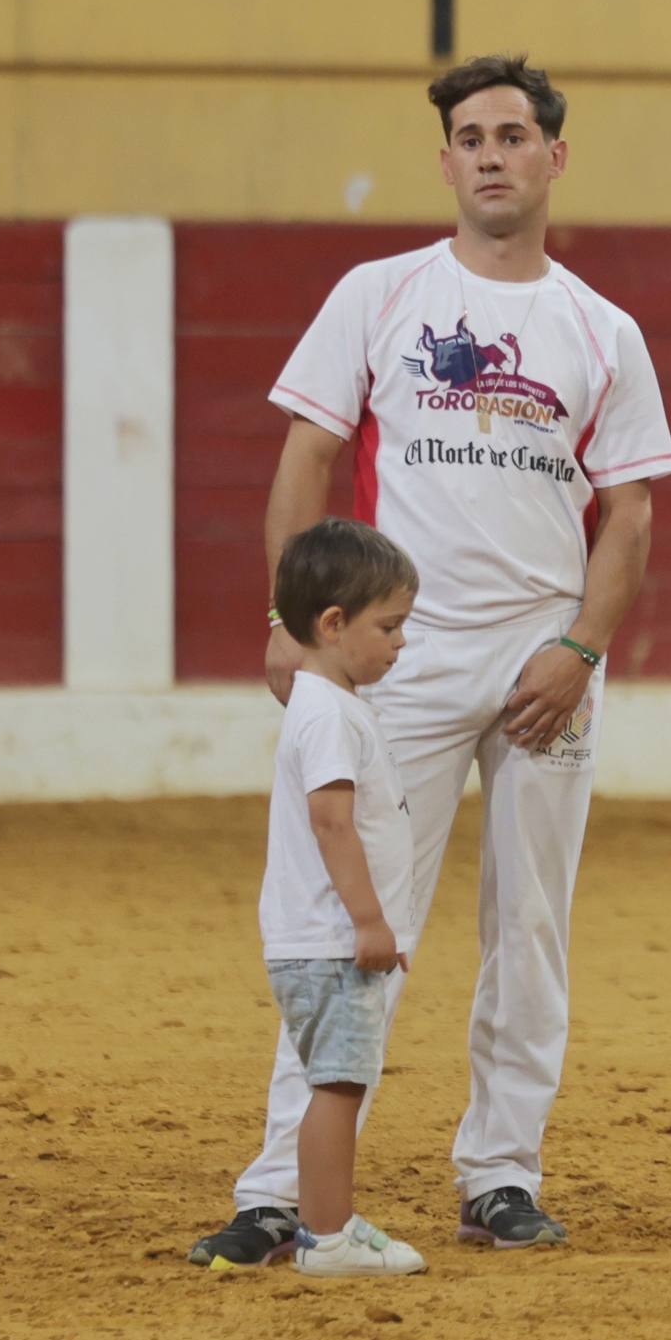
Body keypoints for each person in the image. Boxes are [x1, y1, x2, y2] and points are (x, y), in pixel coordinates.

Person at [185, 56, 671, 1272]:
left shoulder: (602, 330)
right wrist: (291, 627)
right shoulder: (379, 293)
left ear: (554, 157)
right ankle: (277, 1188)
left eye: (515, 134)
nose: (493, 154)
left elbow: (630, 519)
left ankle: (502, 1174)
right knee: (341, 915)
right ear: (447, 160)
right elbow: (307, 460)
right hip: (385, 657)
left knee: (532, 928)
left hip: (540, 659)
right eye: (471, 137)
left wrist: (578, 649)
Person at [248, 518, 430, 1279]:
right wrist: (370, 921)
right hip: (332, 942)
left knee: (334, 1081)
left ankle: (327, 1227)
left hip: (316, 941)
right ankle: (327, 1235)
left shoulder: (327, 706)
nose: (400, 643)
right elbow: (332, 821)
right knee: (338, 1086)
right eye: (389, 626)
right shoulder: (326, 712)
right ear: (332, 624)